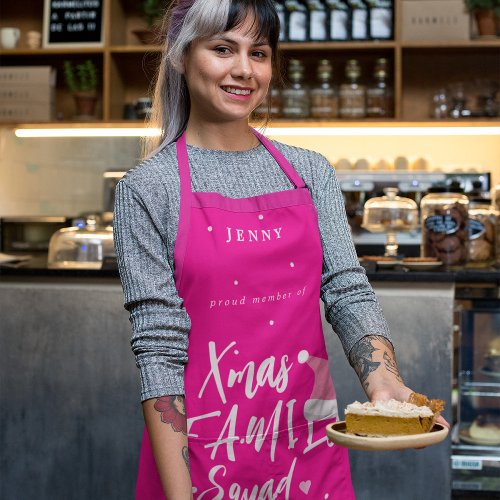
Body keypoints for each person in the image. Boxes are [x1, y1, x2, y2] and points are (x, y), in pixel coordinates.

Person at [114, 1, 449, 498]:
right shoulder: (148, 189)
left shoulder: (310, 172)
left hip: (306, 440)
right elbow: (158, 347)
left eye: (260, 53)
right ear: (183, 58)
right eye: (223, 49)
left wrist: (384, 384)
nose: (245, 70)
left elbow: (346, 288)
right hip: (202, 450)